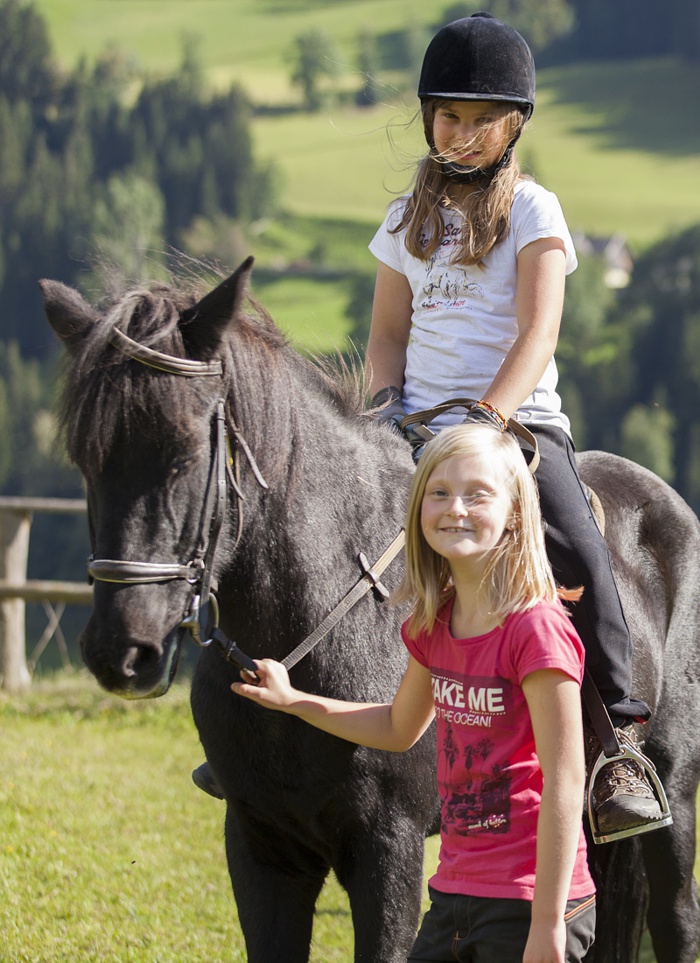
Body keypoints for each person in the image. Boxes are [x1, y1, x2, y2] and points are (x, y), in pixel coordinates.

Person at [366, 10, 665, 838]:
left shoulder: (535, 209)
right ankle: (277, 720)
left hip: (519, 428)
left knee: (581, 550)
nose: (461, 134)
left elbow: (539, 332)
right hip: (414, 430)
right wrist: (385, 411)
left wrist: (491, 423)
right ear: (428, 116)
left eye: (479, 119)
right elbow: (388, 334)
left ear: (514, 124)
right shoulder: (403, 221)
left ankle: (619, 747)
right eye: (448, 116)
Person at [232, 424, 596, 963]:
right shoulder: (435, 623)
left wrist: (546, 924)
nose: (456, 509)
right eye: (440, 493)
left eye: (478, 494)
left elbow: (565, 780)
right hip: (454, 891)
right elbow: (399, 729)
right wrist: (292, 700)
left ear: (516, 511)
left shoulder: (534, 629)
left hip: (530, 898)